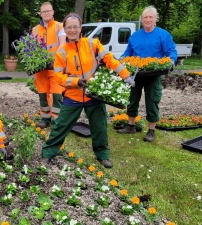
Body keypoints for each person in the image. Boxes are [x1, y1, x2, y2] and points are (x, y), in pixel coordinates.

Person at [41, 13, 135, 169]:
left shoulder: (93, 43)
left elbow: (109, 59)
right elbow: (58, 77)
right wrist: (77, 82)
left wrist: (126, 76)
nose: (72, 30)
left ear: (80, 28)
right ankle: (47, 153)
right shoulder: (61, 52)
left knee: (99, 127)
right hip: (73, 95)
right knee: (60, 126)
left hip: (93, 94)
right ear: (65, 29)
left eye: (75, 27)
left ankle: (102, 155)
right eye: (69, 27)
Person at [117, 6, 177, 142]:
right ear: (142, 19)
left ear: (155, 19)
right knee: (132, 100)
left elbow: (171, 51)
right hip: (136, 75)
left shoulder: (163, 35)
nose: (148, 19)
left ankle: (151, 130)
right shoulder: (135, 36)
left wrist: (171, 61)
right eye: (145, 17)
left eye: (150, 17)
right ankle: (130, 125)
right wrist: (121, 61)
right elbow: (128, 53)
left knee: (152, 101)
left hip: (153, 74)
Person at [32, 2, 66, 128]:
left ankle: (58, 119)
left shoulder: (59, 26)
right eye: (43, 12)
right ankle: (45, 117)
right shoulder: (35, 29)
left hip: (55, 67)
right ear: (40, 14)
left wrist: (56, 59)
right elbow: (32, 48)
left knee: (57, 93)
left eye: (48, 11)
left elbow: (62, 44)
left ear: (52, 12)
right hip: (40, 69)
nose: (46, 13)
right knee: (42, 93)